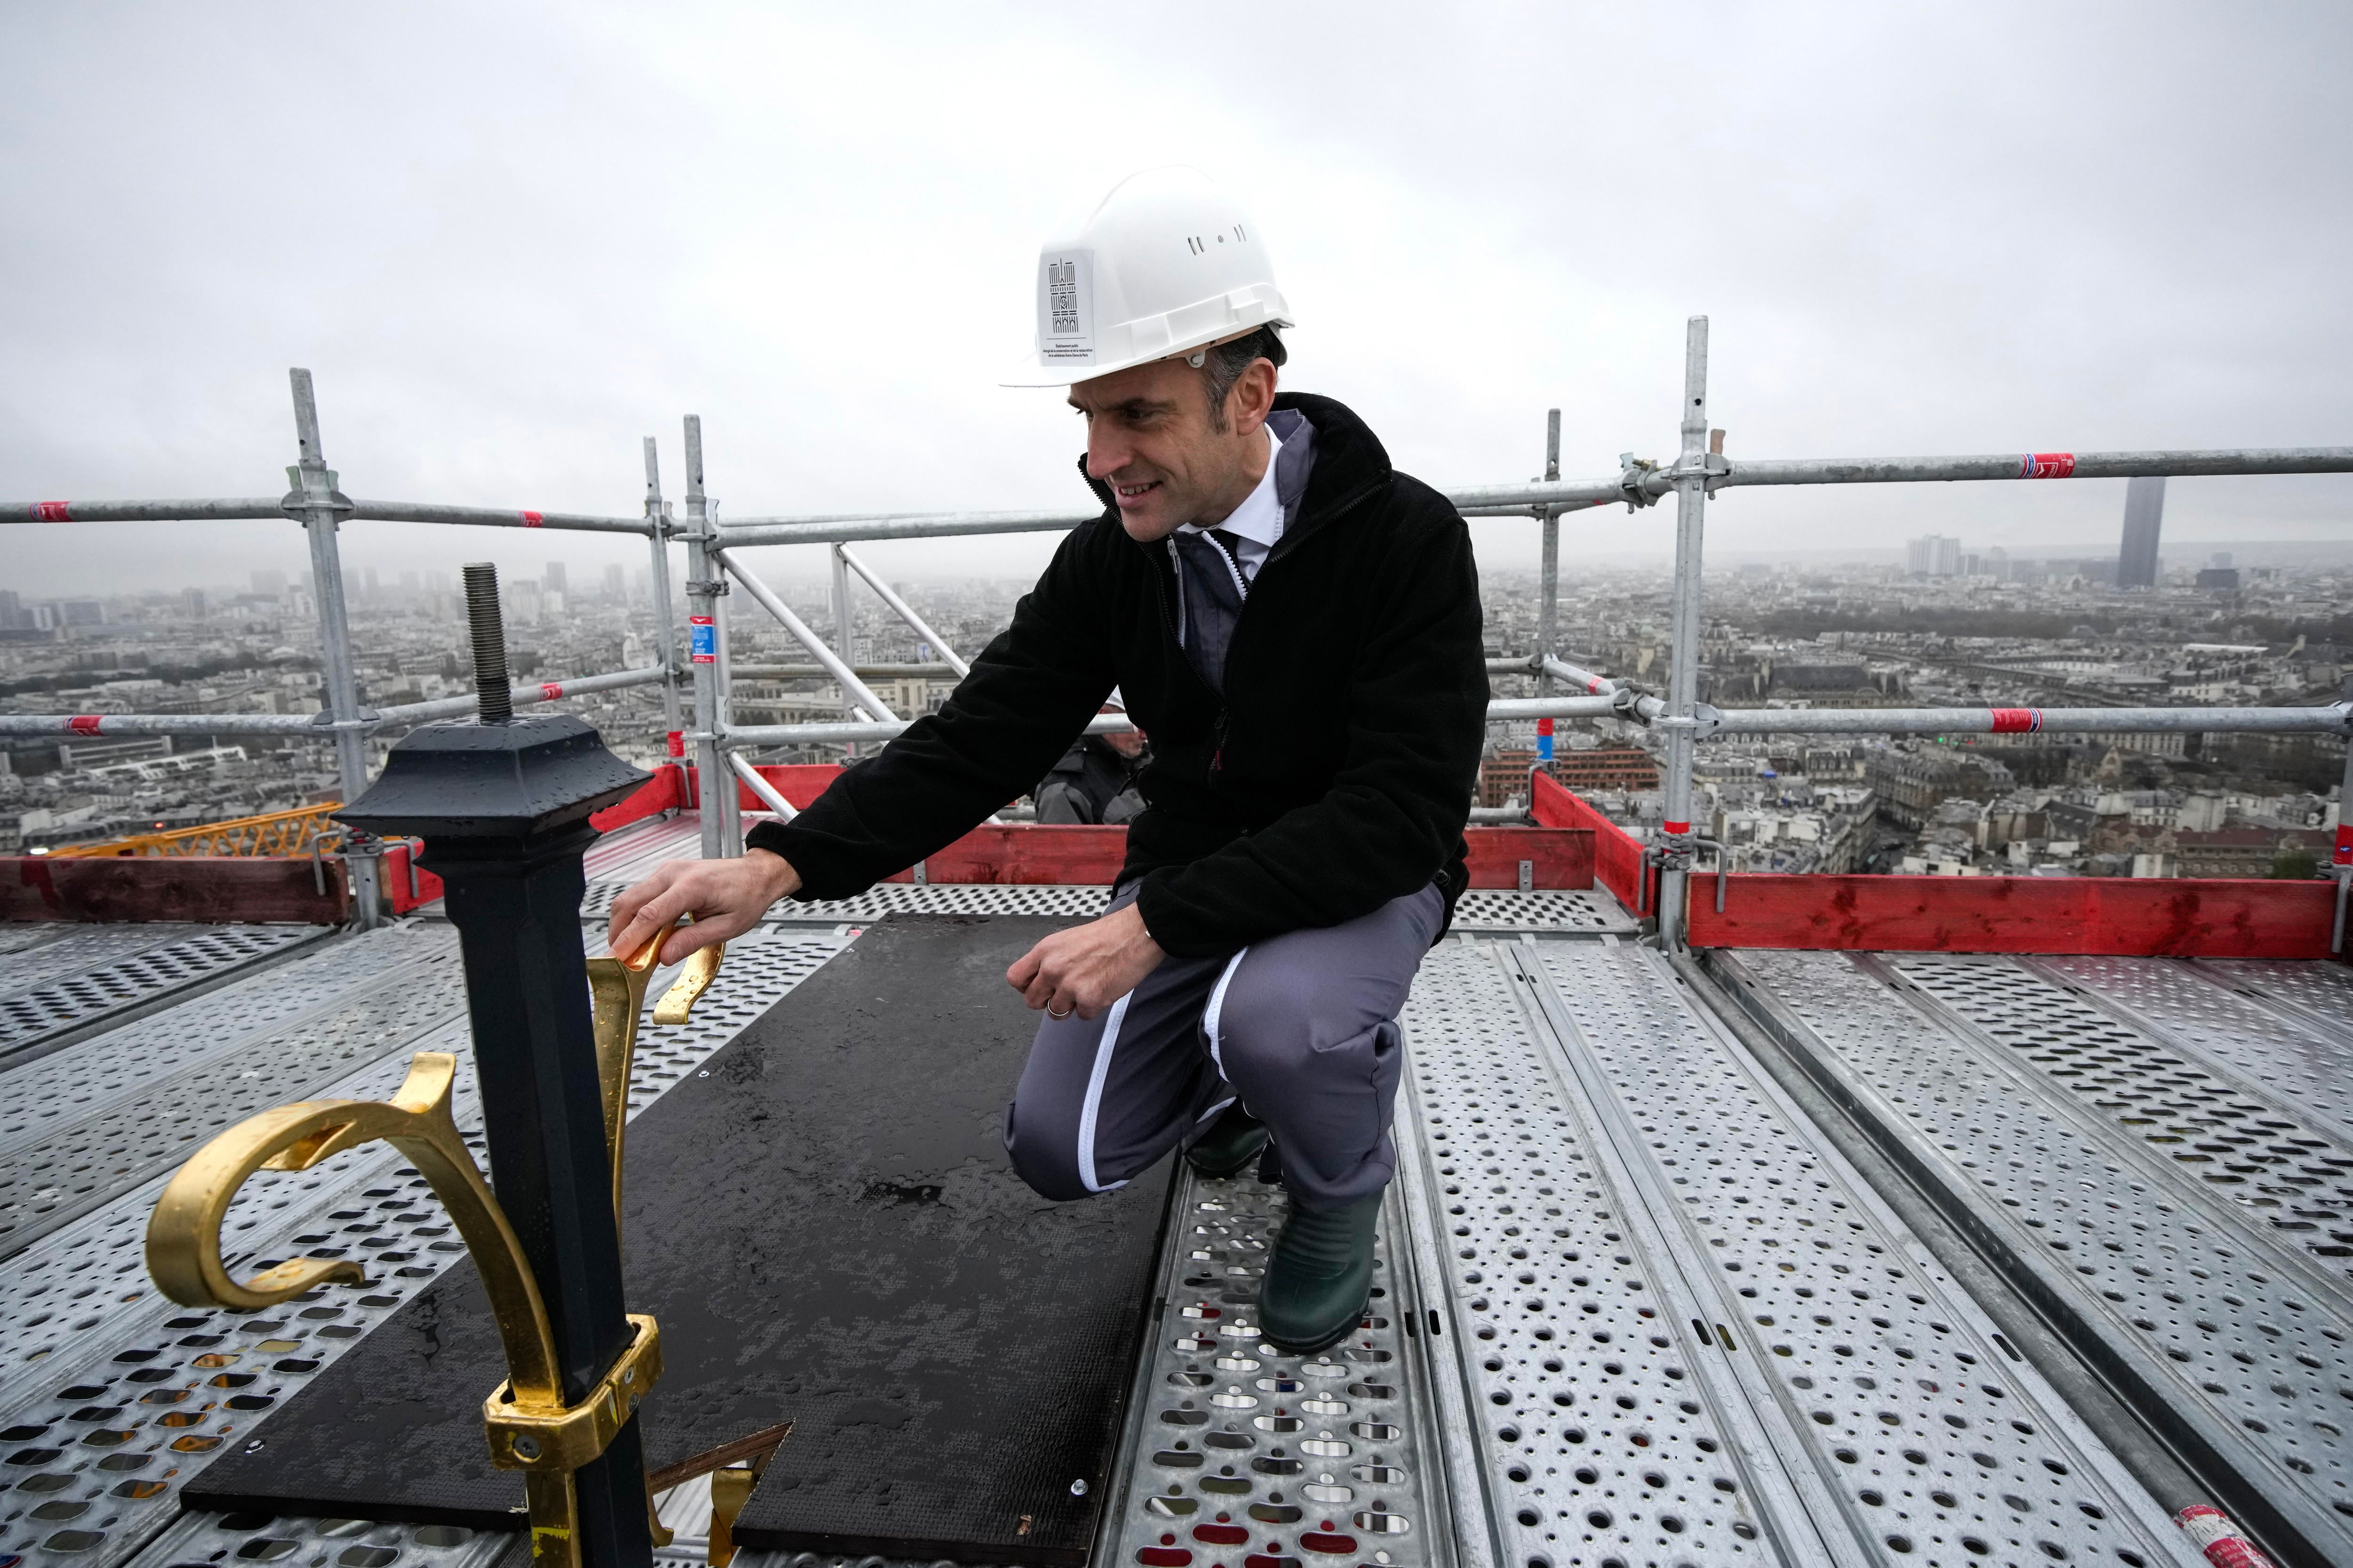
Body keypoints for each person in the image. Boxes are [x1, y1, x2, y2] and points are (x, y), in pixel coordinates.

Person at [608, 166, 1486, 1356]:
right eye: (1085, 416)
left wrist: (1156, 924)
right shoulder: (1117, 559)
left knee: (1283, 1023)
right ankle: (1236, 1089)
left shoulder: (1402, 540)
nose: (1098, 456)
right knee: (1062, 1152)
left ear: (1249, 395)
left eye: (1137, 416)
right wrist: (784, 864)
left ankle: (1337, 1186)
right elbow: (988, 733)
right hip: (1199, 872)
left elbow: (1396, 812)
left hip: (1366, 876)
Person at [1035, 712, 1149, 824]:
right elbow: (1064, 841)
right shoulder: (1066, 785)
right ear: (1104, 714)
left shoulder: (1139, 759)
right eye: (1135, 724)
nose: (1144, 735)